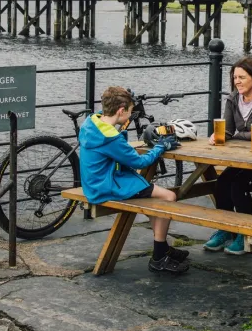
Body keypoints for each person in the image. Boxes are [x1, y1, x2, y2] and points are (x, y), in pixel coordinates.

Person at [78, 86, 190, 275]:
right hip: (107, 186)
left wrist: (122, 120)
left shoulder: (91, 124)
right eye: (129, 111)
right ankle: (159, 258)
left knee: (155, 203)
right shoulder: (110, 138)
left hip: (94, 183)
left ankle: (163, 249)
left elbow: (115, 144)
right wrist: (161, 146)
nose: (131, 115)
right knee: (168, 197)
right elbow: (139, 161)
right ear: (121, 111)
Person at [203, 57, 252, 255]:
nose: (237, 81)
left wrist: (236, 136)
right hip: (242, 157)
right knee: (222, 183)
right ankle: (226, 229)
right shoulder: (232, 98)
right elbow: (227, 130)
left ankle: (244, 233)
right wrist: (217, 136)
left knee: (238, 185)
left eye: (242, 77)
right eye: (235, 77)